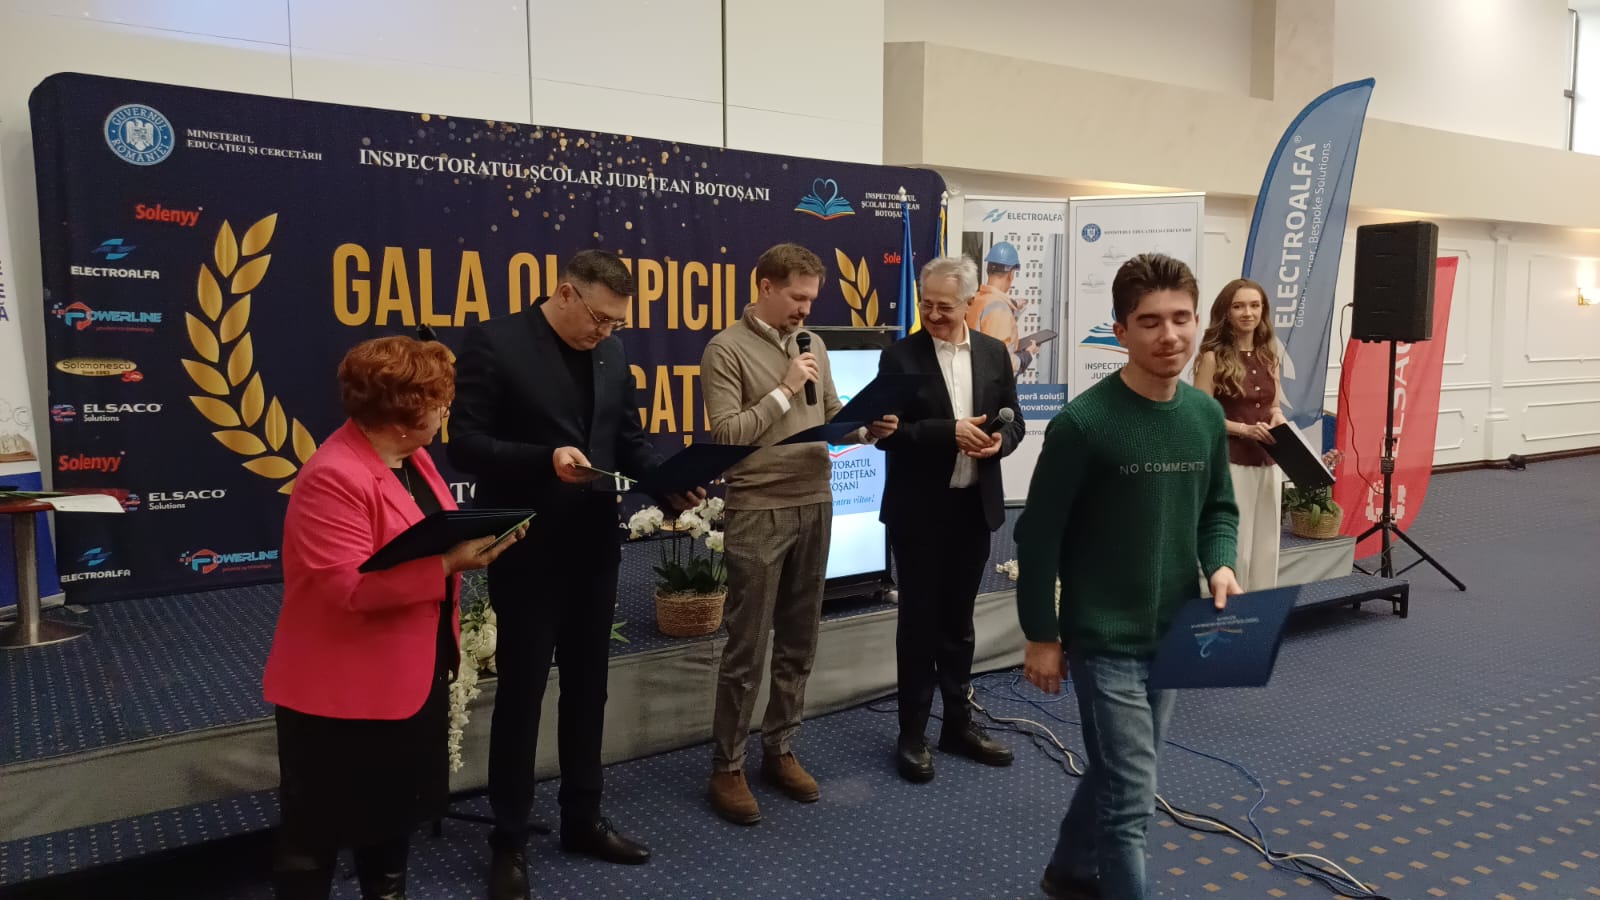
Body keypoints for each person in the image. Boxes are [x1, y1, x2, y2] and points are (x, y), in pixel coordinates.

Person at [449, 250, 698, 900]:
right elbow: (463, 443)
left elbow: (628, 442)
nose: (607, 332)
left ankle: (582, 818)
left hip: (594, 546)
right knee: (523, 694)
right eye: (600, 318)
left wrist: (669, 482)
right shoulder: (495, 342)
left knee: (590, 691)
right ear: (565, 294)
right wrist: (544, 459)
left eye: (618, 322)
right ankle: (509, 838)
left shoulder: (611, 351)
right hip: (527, 547)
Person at [263, 336, 525, 900]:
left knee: (390, 821)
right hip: (339, 692)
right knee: (315, 835)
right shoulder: (333, 475)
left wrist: (481, 536)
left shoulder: (413, 458)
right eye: (441, 403)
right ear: (407, 413)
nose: (446, 413)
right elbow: (348, 588)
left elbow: (430, 532)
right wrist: (450, 564)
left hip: (410, 675)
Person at [1014, 253, 1241, 900]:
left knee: (1119, 772)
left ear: (1197, 322)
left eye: (1181, 318)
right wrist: (1041, 635)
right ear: (1120, 331)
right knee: (1132, 802)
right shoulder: (1083, 426)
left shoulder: (1203, 416)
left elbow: (1218, 509)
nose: (1169, 335)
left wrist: (1221, 562)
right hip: (1103, 638)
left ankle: (1067, 871)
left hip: (1173, 632)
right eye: (1149, 322)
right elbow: (1038, 539)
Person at [699, 242, 898, 825]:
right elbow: (727, 436)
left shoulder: (812, 344)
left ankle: (779, 748)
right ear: (765, 286)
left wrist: (867, 429)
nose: (806, 310)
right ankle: (727, 765)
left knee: (799, 640)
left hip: (817, 501)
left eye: (812, 299)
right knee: (746, 646)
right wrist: (784, 389)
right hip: (759, 509)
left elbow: (831, 416)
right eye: (797, 297)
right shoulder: (724, 349)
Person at [876, 256, 1025, 783]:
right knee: (919, 625)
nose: (934, 314)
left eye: (945, 306)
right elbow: (887, 433)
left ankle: (958, 726)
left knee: (959, 625)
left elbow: (1014, 419)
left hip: (973, 507)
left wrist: (999, 443)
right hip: (919, 512)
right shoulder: (899, 357)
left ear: (968, 303)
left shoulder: (993, 352)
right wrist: (950, 432)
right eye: (926, 304)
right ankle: (912, 734)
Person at [1193, 278, 1284, 592]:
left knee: (1267, 548)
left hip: (1269, 461)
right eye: (1239, 306)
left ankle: (1262, 611)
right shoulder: (1212, 358)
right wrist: (1244, 429)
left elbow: (1274, 406)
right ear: (1226, 312)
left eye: (1255, 305)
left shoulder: (1269, 354)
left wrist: (1277, 418)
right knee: (1236, 545)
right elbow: (1200, 415)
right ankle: (1229, 610)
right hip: (1231, 463)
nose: (1248, 313)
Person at [965, 241, 1038, 373]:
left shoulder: (978, 298)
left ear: (988, 270)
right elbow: (1000, 361)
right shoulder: (999, 309)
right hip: (993, 383)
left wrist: (1012, 305)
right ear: (1011, 274)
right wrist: (1026, 356)